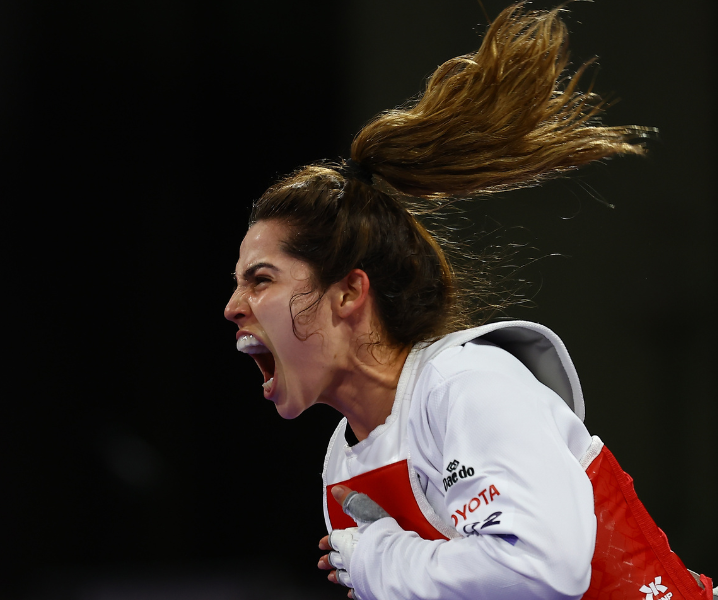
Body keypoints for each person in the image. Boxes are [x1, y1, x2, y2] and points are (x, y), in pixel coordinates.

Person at [223, 4, 713, 600]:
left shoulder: (465, 384)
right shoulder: (342, 470)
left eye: (261, 279)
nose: (233, 306)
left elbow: (543, 568)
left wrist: (380, 560)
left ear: (349, 293)